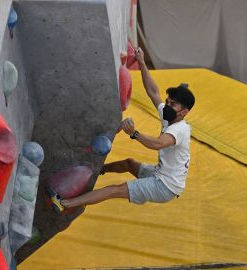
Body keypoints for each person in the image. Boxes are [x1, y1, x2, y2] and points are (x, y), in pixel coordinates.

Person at [49, 47, 195, 211]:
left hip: (164, 186)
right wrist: (141, 63)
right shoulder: (170, 116)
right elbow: (153, 92)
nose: (167, 106)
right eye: (168, 102)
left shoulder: (180, 129)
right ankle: (100, 170)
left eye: (172, 104)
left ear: (184, 112)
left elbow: (158, 144)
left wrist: (134, 133)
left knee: (114, 190)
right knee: (129, 164)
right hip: (160, 174)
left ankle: (63, 204)